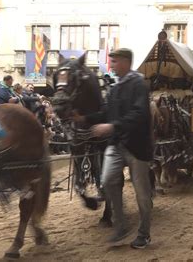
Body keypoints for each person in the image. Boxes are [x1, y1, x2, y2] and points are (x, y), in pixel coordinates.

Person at [74, 48, 153, 249]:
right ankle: (121, 225)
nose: (112, 66)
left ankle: (143, 234)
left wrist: (111, 127)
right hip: (116, 145)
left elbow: (140, 114)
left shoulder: (139, 84)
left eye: (115, 61)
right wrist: (85, 119)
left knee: (142, 195)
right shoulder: (115, 88)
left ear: (126, 62)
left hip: (137, 147)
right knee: (108, 180)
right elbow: (106, 112)